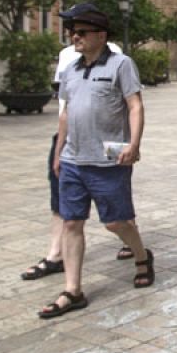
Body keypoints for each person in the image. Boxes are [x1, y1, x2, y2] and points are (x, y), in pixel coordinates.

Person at [38, 3, 154, 319]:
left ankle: (142, 255)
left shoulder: (121, 65)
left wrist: (134, 143)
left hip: (108, 157)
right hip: (74, 158)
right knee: (71, 222)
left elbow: (135, 105)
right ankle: (72, 290)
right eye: (71, 32)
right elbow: (65, 113)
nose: (74, 37)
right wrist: (59, 152)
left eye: (81, 32)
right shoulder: (71, 69)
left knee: (116, 222)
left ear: (100, 36)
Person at [21, 35, 128, 282]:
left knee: (117, 197)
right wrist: (59, 147)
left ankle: (132, 244)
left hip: (109, 138)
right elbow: (65, 105)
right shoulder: (66, 57)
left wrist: (127, 146)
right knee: (60, 194)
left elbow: (127, 105)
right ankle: (55, 255)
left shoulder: (116, 54)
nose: (75, 33)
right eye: (72, 27)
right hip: (69, 138)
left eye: (81, 27)